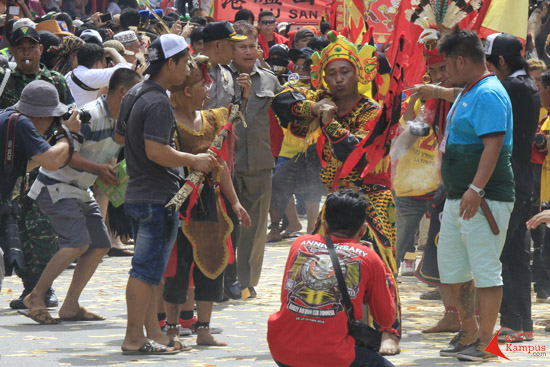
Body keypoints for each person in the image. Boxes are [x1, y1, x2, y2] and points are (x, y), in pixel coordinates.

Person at [271, 31, 401, 355]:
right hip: (338, 197)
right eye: (331, 73)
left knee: (382, 261)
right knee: (315, 256)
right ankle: (319, 321)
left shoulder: (372, 110)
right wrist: (315, 106)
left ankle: (390, 331)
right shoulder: (321, 101)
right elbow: (281, 101)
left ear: (359, 74)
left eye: (345, 72)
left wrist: (327, 120)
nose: (339, 79)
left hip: (373, 194)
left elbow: (353, 152)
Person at [116, 34, 217, 355]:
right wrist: (193, 159)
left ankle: (153, 334)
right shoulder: (158, 100)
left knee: (149, 272)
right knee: (145, 271)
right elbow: (157, 151)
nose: (188, 69)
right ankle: (134, 338)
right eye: (185, 62)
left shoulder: (134, 92)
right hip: (156, 196)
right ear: (170, 64)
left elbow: (120, 137)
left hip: (138, 193)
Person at [23, 69, 142, 324]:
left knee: (99, 244)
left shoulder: (121, 121)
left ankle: (70, 305)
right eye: (136, 92)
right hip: (56, 186)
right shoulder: (88, 115)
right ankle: (35, 296)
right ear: (123, 91)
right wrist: (99, 170)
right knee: (76, 244)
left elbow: (104, 157)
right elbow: (64, 155)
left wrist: (107, 174)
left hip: (81, 189)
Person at [161, 55, 251, 348]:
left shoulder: (212, 118)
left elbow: (220, 164)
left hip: (212, 203)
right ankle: (172, 328)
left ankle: (203, 329)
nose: (208, 91)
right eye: (204, 85)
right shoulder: (167, 121)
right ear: (187, 91)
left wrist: (234, 202)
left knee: (211, 263)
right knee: (178, 265)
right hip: (181, 202)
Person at [436, 30, 515, 362]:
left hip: (484, 198)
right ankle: (469, 330)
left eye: (446, 65)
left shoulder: (489, 94)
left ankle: (487, 341)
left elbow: (493, 146)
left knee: (484, 269)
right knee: (454, 270)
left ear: (460, 60)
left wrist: (475, 188)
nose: (444, 72)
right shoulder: (468, 89)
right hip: (459, 198)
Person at [268, 189, 396, 367]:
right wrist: (382, 268)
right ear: (362, 231)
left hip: (283, 350)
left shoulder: (300, 243)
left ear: (325, 225)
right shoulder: (369, 257)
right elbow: (386, 319)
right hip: (332, 356)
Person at [2, 25, 74, 310]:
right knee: (16, 228)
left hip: (47, 165)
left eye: (31, 47)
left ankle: (44, 287)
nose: (26, 53)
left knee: (43, 228)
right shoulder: (5, 80)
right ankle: (29, 287)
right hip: (13, 168)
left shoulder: (55, 81)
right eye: (19, 48)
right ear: (12, 51)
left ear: (41, 50)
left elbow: (68, 114)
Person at [485, 32, 540, 343]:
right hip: (522, 178)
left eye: (490, 64)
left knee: (505, 253)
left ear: (501, 62)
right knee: (517, 252)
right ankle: (521, 322)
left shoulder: (510, 87)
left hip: (510, 180)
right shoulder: (524, 85)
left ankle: (512, 323)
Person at [229, 21, 283, 299]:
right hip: (226, 164)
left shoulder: (270, 79)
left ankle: (247, 282)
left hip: (260, 162)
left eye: (253, 46)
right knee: (226, 225)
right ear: (230, 50)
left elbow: (289, 107)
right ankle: (223, 279)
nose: (249, 51)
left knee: (255, 227)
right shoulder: (220, 77)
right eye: (242, 47)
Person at [66, 43, 131, 107]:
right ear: (98, 64)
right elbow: (125, 71)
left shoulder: (71, 74)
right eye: (104, 65)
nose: (104, 67)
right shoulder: (89, 76)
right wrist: (111, 50)